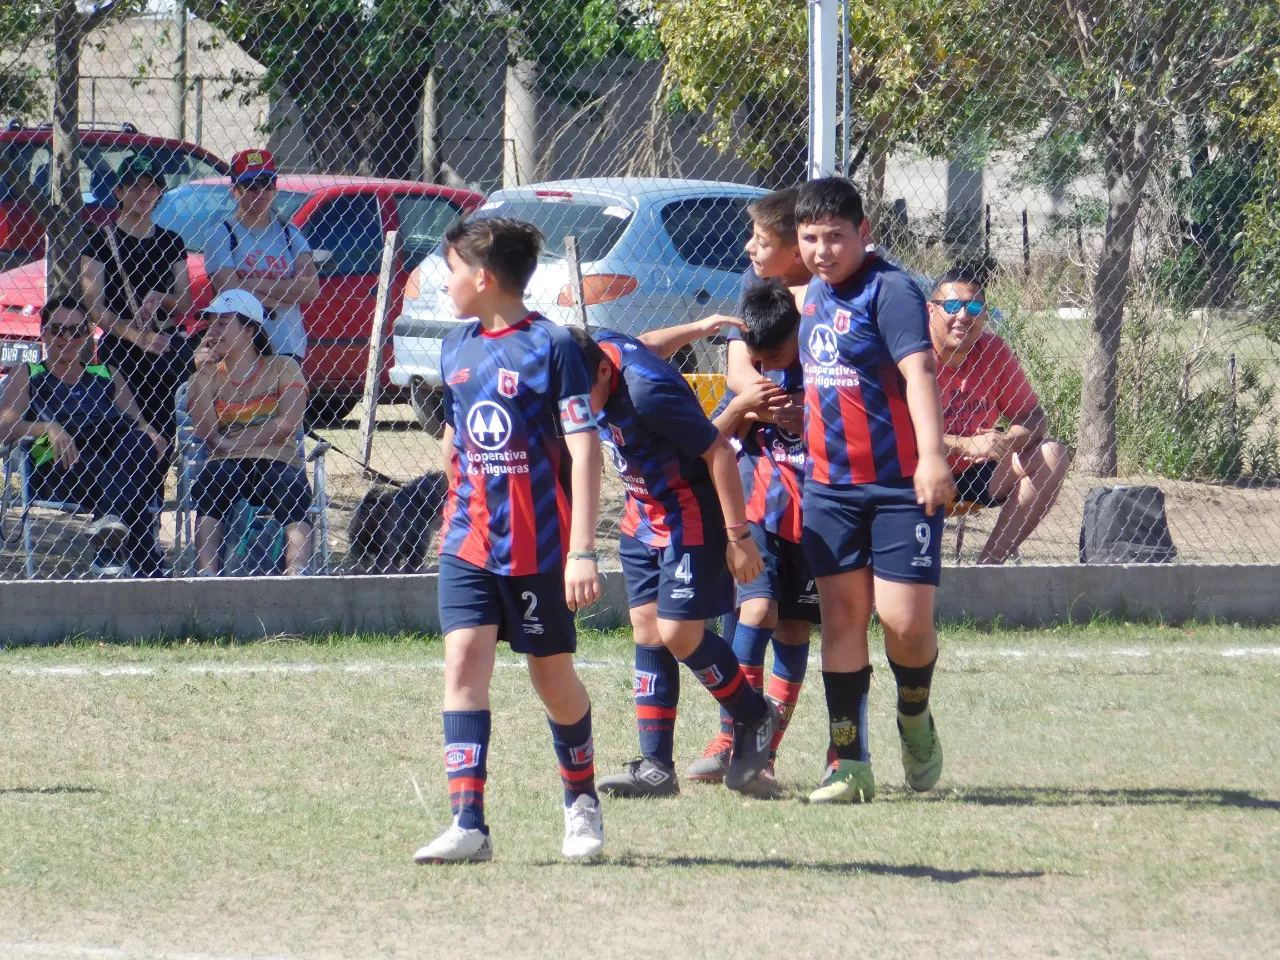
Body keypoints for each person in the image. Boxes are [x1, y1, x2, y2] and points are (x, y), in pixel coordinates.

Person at [414, 217, 606, 865]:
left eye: (451, 270)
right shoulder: (454, 348)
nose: (445, 282)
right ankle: (469, 822)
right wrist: (453, 512)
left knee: (551, 679)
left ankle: (580, 802)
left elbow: (584, 450)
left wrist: (583, 549)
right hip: (469, 543)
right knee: (463, 663)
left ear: (483, 277)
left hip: (540, 550)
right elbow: (455, 438)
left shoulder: (552, 347)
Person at [795, 177, 955, 804]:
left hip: (897, 487)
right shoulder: (811, 294)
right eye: (811, 238)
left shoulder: (891, 290)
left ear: (865, 233)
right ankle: (849, 762)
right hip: (828, 488)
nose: (823, 250)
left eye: (836, 236)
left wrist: (934, 456)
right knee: (842, 617)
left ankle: (914, 715)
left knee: (903, 620)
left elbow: (919, 375)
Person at [568, 325, 780, 800]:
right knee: (646, 628)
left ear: (604, 370)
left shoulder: (649, 394)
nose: (578, 407)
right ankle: (655, 767)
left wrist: (739, 537)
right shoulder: (597, 348)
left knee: (679, 632)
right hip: (641, 512)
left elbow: (720, 451)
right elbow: (643, 343)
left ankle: (754, 715)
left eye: (584, 395)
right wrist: (700, 328)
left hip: (689, 514)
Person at [679, 280, 819, 795]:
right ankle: (730, 735)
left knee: (795, 630)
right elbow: (716, 442)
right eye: (758, 361)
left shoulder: (825, 364)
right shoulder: (753, 378)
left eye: (776, 357)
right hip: (758, 509)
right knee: (756, 610)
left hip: (816, 516)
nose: (768, 368)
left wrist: (812, 413)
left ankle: (763, 755)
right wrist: (746, 406)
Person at [0, 296, 167, 577]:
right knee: (131, 486)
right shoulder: (29, 373)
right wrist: (47, 427)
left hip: (109, 458)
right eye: (58, 330)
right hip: (57, 459)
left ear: (88, 335)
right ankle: (148, 572)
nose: (67, 338)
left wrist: (151, 433)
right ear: (44, 332)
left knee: (139, 440)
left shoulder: (106, 373)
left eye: (77, 331)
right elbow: (4, 427)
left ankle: (109, 543)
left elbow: (138, 424)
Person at [929, 267, 1071, 563]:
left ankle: (989, 567)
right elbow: (894, 436)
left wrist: (1005, 441)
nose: (964, 316)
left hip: (975, 473)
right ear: (931, 310)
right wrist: (963, 444)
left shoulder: (993, 350)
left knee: (1052, 453)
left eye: (975, 307)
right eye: (953, 306)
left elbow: (1034, 417)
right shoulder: (914, 354)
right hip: (920, 471)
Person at [186, 290, 313, 576]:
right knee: (212, 485)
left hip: (276, 458)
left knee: (292, 488)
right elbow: (206, 430)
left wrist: (229, 441)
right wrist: (203, 377)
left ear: (249, 329)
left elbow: (288, 422)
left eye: (222, 323)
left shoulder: (283, 367)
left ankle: (298, 573)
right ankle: (206, 574)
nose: (212, 330)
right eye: (211, 323)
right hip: (224, 463)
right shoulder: (206, 375)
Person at [81, 152, 194, 448]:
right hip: (121, 350)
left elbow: (185, 303)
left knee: (165, 437)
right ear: (118, 191)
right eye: (134, 186)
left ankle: (155, 494)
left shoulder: (171, 241)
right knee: (124, 437)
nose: (144, 194)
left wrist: (161, 298)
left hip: (162, 348)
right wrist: (135, 336)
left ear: (160, 193)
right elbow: (95, 309)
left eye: (152, 186)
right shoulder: (100, 241)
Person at [204, 149, 319, 362]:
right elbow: (232, 295)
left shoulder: (289, 232)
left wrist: (255, 284)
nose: (260, 192)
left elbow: (311, 289)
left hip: (287, 348)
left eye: (267, 184)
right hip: (241, 352)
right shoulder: (222, 233)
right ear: (235, 190)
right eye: (251, 186)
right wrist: (284, 297)